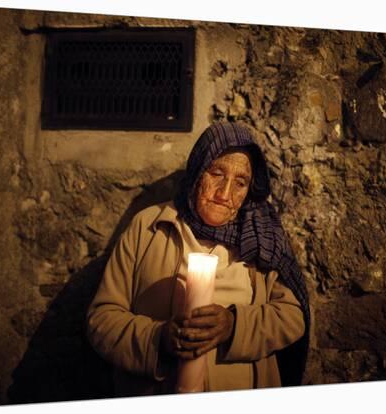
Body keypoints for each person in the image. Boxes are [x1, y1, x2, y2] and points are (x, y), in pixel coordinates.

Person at [86, 122, 310, 397]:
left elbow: (292, 316)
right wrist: (160, 340)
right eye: (216, 173)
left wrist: (233, 326)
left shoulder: (260, 239)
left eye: (240, 183)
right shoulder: (149, 227)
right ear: (196, 173)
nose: (224, 194)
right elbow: (101, 320)